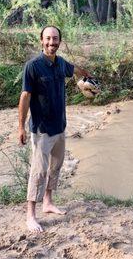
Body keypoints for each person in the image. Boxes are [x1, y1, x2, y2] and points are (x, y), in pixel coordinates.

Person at [18, 25, 91, 232]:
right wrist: (20, 127)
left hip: (60, 126)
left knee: (55, 167)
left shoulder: (60, 64)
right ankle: (30, 215)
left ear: (60, 41)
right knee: (38, 171)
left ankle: (48, 202)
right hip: (42, 129)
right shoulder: (33, 66)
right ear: (41, 40)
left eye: (55, 39)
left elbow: (74, 69)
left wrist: (86, 75)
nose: (52, 42)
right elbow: (25, 97)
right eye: (48, 39)